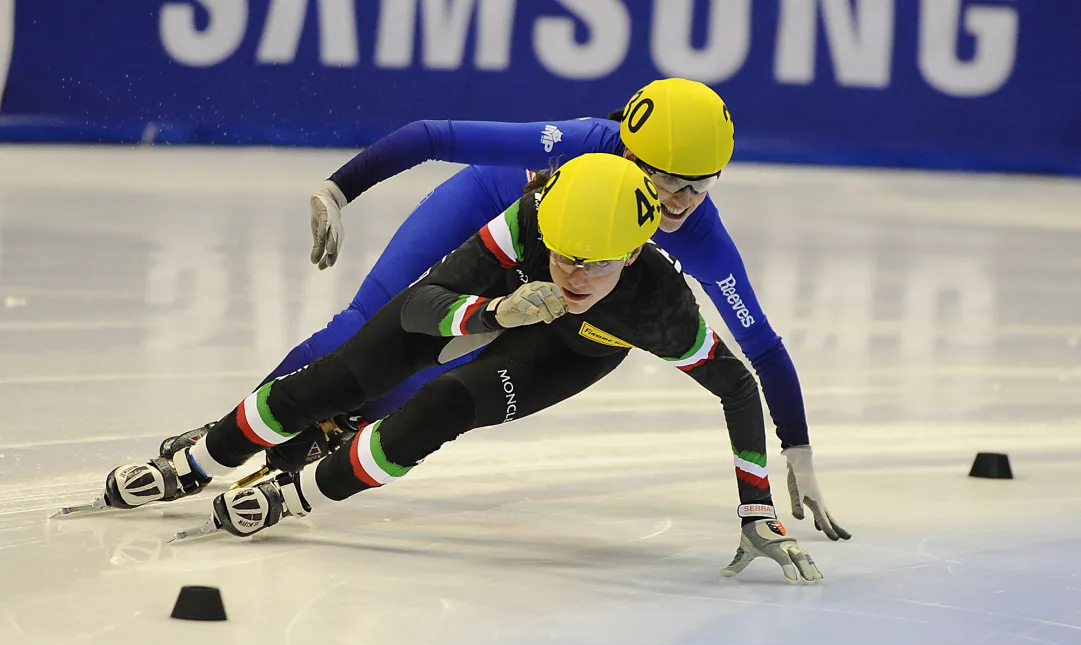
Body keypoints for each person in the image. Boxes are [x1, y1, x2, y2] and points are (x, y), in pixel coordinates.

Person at [161, 77, 848, 540]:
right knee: (370, 330)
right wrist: (340, 188)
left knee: (444, 369)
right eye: (664, 183)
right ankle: (234, 427)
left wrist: (798, 450)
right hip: (494, 206)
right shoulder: (580, 140)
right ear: (628, 152)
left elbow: (759, 346)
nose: (678, 205)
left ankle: (330, 434)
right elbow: (436, 135)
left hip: (557, 259)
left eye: (697, 188)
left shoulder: (697, 231)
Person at [100, 154, 824, 583]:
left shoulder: (659, 309)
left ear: (633, 254)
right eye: (565, 254)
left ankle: (296, 499)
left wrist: (755, 504)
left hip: (571, 351)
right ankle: (195, 463)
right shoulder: (535, 215)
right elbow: (422, 310)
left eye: (594, 264)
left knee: (445, 401)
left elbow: (734, 383)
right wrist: (494, 313)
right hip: (504, 304)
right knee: (340, 374)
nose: (573, 274)